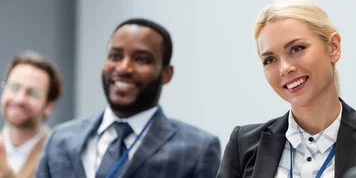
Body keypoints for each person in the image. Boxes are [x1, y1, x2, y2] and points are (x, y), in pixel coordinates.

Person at [217, 0, 356, 178]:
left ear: (333, 48)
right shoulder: (242, 146)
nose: (285, 68)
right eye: (270, 60)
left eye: (297, 49)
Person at [36, 18, 221, 178]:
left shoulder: (197, 149)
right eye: (115, 56)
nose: (124, 68)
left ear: (166, 74)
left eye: (141, 59)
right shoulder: (60, 139)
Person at [0, 52, 62, 178]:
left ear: (48, 106)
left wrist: (6, 174)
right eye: (14, 87)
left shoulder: (59, 157)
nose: (19, 99)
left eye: (32, 93)